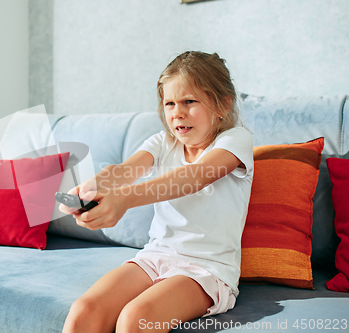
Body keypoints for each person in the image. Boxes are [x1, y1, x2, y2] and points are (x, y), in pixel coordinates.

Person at [60, 51, 254, 333]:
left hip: (205, 269)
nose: (178, 112)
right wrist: (90, 189)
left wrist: (125, 199)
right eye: (170, 103)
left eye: (190, 101)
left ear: (223, 104)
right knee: (83, 312)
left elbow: (195, 176)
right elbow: (125, 170)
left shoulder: (235, 140)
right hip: (155, 257)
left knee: (136, 317)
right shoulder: (163, 142)